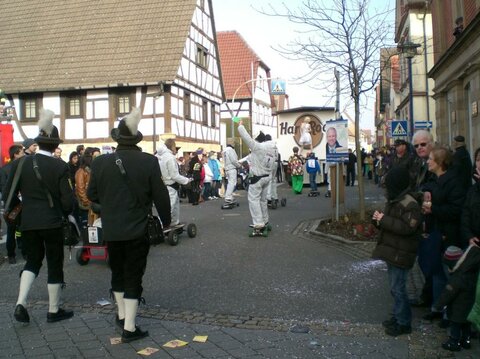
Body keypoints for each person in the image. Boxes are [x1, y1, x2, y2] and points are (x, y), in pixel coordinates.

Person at [87, 108, 171, 343]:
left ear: (117, 139)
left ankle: (122, 316)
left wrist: (108, 206)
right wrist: (166, 222)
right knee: (134, 274)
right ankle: (130, 328)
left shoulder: (100, 162)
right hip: (137, 227)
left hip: (112, 228)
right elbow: (161, 196)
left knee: (117, 271)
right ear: (136, 140)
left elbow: (92, 194)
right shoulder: (148, 161)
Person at [3, 109, 75, 324]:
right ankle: (53, 311)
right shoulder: (60, 166)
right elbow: (67, 202)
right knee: (54, 262)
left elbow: (7, 194)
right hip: (52, 221)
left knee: (32, 261)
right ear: (54, 145)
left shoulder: (19, 163)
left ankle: (20, 303)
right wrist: (65, 213)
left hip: (28, 222)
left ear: (38, 142)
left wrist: (22, 208)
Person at [372, 166, 422, 337]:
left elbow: (408, 228)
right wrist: (378, 221)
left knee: (398, 288)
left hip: (402, 251)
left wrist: (384, 220)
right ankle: (397, 316)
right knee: (395, 288)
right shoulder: (395, 199)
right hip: (394, 250)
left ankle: (403, 322)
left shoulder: (409, 203)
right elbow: (391, 224)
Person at [421, 146, 466, 323]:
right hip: (437, 232)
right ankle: (437, 307)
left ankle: (451, 313)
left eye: (430, 159)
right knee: (437, 272)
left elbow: (455, 210)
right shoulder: (437, 179)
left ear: (439, 163)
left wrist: (433, 209)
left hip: (450, 235)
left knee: (449, 275)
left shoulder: (453, 181)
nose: (427, 161)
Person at [433, 245, 480, 351]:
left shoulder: (456, 278)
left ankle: (454, 342)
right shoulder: (471, 270)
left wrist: (438, 306)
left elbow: (447, 295)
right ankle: (466, 341)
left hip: (457, 309)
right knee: (466, 325)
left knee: (455, 326)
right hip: (469, 306)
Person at [237, 120, 276, 232]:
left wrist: (240, 126)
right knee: (263, 200)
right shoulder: (272, 148)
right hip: (267, 177)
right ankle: (265, 220)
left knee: (253, 200)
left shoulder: (258, 147)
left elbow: (246, 138)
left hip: (257, 178)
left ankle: (259, 223)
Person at [156, 139, 191, 226]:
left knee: (173, 205)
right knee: (170, 207)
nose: (176, 149)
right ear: (172, 147)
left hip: (163, 184)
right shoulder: (170, 157)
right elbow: (174, 175)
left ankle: (174, 222)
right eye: (175, 147)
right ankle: (161, 225)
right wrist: (186, 180)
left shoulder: (160, 156)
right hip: (170, 184)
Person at [0, 145, 25, 264]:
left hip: (18, 203)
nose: (24, 154)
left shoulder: (23, 167)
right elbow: (4, 190)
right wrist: (18, 200)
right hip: (14, 204)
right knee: (12, 230)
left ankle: (18, 253)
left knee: (21, 230)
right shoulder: (5, 169)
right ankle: (12, 254)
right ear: (15, 154)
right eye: (21, 152)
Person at [75, 153, 93, 229]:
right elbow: (80, 188)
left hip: (89, 200)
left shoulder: (88, 170)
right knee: (85, 220)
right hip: (85, 201)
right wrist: (86, 200)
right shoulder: (81, 172)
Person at [222, 138, 242, 206]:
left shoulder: (224, 150)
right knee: (232, 183)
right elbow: (233, 160)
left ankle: (229, 196)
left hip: (227, 168)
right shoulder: (231, 150)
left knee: (229, 183)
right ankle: (228, 197)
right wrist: (239, 165)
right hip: (232, 168)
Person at [265, 134, 279, 206]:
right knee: (273, 179)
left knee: (269, 180)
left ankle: (268, 197)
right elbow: (277, 155)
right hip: (275, 162)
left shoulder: (265, 145)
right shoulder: (274, 145)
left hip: (268, 163)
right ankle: (275, 196)